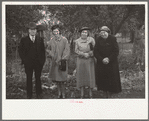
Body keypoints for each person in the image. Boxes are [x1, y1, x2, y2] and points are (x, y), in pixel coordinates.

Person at [18, 22, 46, 99]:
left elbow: (43, 52)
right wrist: (25, 61)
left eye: (34, 30)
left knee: (38, 78)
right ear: (28, 31)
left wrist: (42, 62)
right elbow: (20, 51)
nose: (33, 31)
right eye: (31, 29)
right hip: (28, 64)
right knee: (29, 78)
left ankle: (39, 93)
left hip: (38, 64)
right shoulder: (24, 40)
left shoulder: (40, 39)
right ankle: (29, 94)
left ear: (36, 31)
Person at [94, 26, 121, 98]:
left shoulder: (113, 38)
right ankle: (104, 92)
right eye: (101, 33)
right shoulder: (98, 39)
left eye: (104, 32)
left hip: (111, 62)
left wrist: (109, 59)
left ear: (108, 32)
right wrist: (101, 59)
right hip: (101, 63)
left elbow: (116, 51)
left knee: (112, 79)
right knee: (103, 79)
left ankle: (111, 93)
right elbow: (95, 52)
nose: (103, 34)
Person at [47, 25, 70, 99]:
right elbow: (48, 49)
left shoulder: (64, 40)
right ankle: (59, 93)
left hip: (62, 62)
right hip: (55, 63)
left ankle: (63, 93)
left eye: (57, 31)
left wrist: (62, 59)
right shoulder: (51, 40)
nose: (55, 33)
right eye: (54, 31)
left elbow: (67, 51)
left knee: (62, 79)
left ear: (59, 31)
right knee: (57, 79)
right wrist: (51, 54)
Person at [75, 27, 96, 99]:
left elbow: (95, 49)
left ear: (88, 33)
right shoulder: (77, 41)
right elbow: (76, 50)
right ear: (80, 33)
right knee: (81, 76)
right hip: (81, 60)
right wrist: (83, 54)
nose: (84, 33)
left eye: (85, 32)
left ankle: (90, 92)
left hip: (89, 60)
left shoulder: (91, 40)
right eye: (83, 32)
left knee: (90, 75)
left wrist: (90, 54)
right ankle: (82, 93)